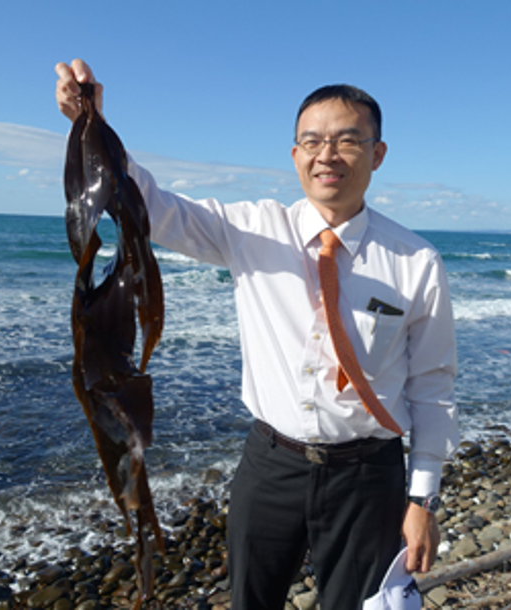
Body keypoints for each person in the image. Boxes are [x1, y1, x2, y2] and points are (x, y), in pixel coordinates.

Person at [55, 60, 457, 610]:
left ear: (378, 153)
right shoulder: (251, 228)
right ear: (295, 155)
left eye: (347, 140)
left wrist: (423, 500)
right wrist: (93, 125)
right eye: (312, 141)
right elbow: (156, 208)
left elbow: (432, 386)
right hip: (270, 463)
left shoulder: (416, 260)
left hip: (369, 473)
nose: (327, 155)